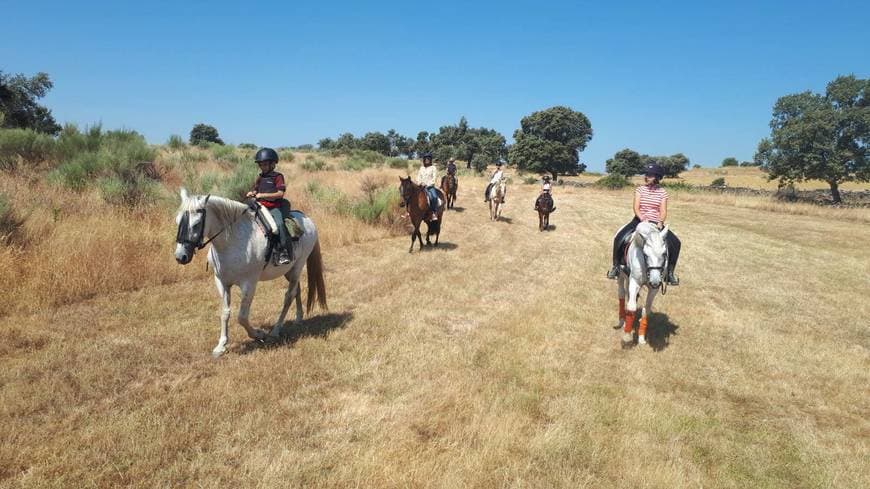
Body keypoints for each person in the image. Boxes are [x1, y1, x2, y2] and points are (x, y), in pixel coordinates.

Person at [606, 163, 681, 285]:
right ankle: (615, 267)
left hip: (656, 223)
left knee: (676, 243)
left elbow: (663, 210)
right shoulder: (640, 190)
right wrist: (642, 218)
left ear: (657, 177)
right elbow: (636, 207)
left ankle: (670, 274)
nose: (646, 177)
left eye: (649, 175)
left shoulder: (663, 193)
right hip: (639, 220)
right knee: (619, 237)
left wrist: (660, 222)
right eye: (646, 174)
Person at [246, 147, 292, 264]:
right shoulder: (260, 177)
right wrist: (253, 193)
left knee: (279, 225)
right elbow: (256, 190)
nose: (262, 167)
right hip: (259, 206)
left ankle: (283, 252)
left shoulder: (278, 177)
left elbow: (280, 194)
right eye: (261, 164)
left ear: (272, 164)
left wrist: (262, 195)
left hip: (273, 207)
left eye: (265, 164)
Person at [417, 152, 440, 220]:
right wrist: (419, 182)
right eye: (426, 159)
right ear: (424, 160)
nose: (427, 160)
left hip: (430, 187)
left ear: (430, 160)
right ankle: (409, 211)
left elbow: (434, 178)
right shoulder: (421, 168)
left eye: (428, 159)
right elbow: (418, 176)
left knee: (434, 197)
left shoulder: (433, 168)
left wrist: (428, 185)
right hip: (421, 186)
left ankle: (433, 212)